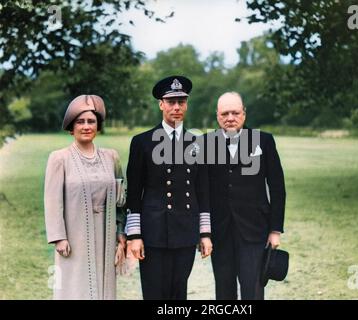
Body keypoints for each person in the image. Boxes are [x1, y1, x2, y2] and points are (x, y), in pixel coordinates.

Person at [125, 75, 213, 300]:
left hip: (185, 230)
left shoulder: (197, 143)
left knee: (178, 294)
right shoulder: (142, 142)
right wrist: (135, 235)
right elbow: (134, 191)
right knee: (154, 293)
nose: (176, 107)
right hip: (153, 232)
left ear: (186, 104)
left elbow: (202, 190)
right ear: (161, 104)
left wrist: (204, 233)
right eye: (171, 102)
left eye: (181, 102)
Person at [44, 95, 126, 300]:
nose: (86, 126)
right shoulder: (59, 158)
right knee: (75, 286)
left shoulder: (111, 157)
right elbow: (52, 200)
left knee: (103, 286)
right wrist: (59, 237)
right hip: (74, 235)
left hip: (106, 235)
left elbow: (121, 199)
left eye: (91, 121)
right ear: (72, 127)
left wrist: (120, 232)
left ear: (98, 126)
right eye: (80, 121)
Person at [207, 91, 286, 300]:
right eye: (225, 113)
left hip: (254, 229)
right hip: (220, 231)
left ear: (244, 114)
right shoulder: (206, 143)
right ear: (217, 115)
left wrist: (275, 230)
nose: (230, 118)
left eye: (235, 112)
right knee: (223, 290)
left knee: (253, 289)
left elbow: (277, 187)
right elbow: (202, 190)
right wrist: (203, 231)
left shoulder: (264, 141)